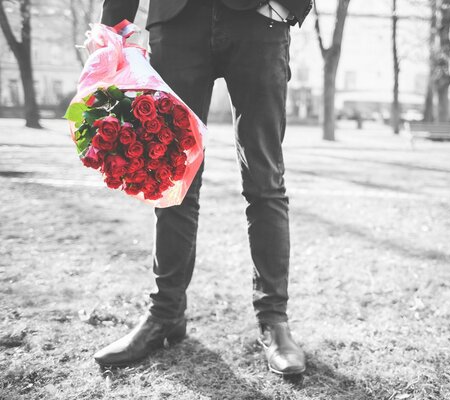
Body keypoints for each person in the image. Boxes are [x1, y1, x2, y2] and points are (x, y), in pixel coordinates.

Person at [93, 0, 312, 376]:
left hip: (260, 20)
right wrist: (112, 27)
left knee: (265, 181)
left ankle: (274, 320)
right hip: (177, 21)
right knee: (174, 176)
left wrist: (288, 5)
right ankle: (165, 315)